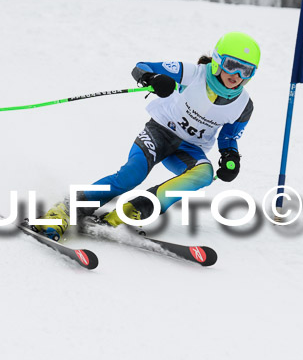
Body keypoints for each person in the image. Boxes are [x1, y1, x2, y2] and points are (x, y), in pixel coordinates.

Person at [35, 31, 260, 240]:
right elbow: (140, 67)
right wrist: (152, 79)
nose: (237, 75)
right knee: (131, 176)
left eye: (246, 70)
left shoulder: (243, 105)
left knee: (204, 174)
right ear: (218, 61)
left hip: (188, 149)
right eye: (232, 66)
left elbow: (228, 138)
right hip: (159, 133)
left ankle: (130, 211)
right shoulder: (191, 73)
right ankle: (65, 209)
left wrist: (231, 156)